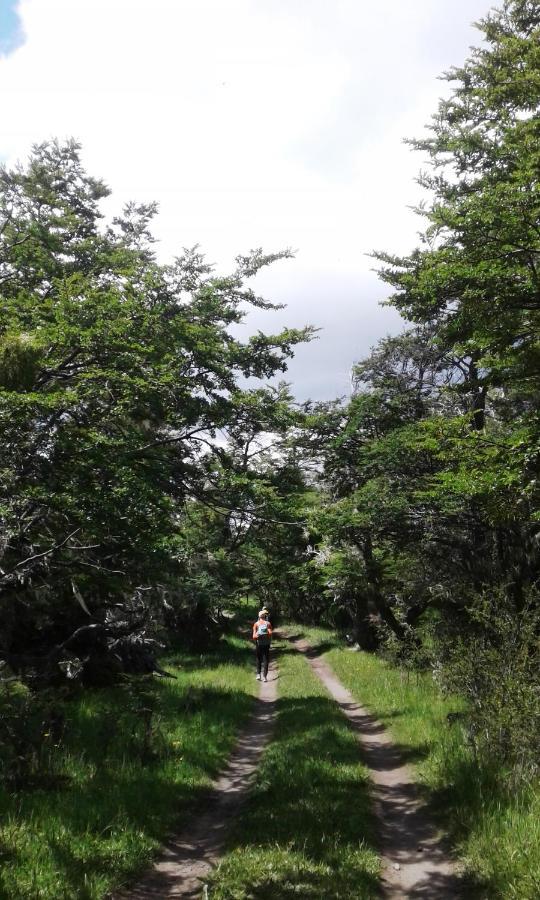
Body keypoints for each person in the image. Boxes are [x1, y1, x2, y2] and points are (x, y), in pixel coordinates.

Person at [252, 607, 272, 682]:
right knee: (266, 660)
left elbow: (253, 636)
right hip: (266, 644)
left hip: (258, 644)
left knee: (258, 659)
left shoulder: (256, 624)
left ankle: (258, 674)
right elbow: (270, 634)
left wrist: (258, 635)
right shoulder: (268, 624)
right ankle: (265, 677)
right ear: (265, 616)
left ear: (259, 616)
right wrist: (266, 633)